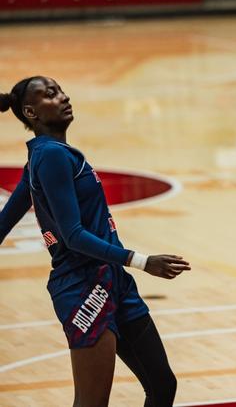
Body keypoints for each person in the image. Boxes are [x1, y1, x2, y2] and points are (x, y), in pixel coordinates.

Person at [0, 76, 191, 406]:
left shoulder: (45, 157)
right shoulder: (50, 156)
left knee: (162, 384)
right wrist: (143, 261)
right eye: (50, 94)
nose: (63, 97)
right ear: (31, 112)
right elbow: (73, 236)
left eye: (60, 90)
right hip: (83, 287)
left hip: (113, 279)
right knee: (92, 402)